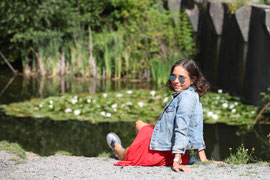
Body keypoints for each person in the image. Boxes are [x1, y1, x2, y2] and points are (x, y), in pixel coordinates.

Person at [106, 59, 212, 172]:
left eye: (181, 78)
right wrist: (203, 158)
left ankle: (118, 148)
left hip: (164, 153)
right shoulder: (193, 94)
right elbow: (196, 127)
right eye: (173, 77)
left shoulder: (185, 98)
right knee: (139, 124)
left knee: (125, 153)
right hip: (168, 144)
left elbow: (182, 129)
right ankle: (140, 144)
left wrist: (176, 160)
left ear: (193, 79)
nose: (176, 81)